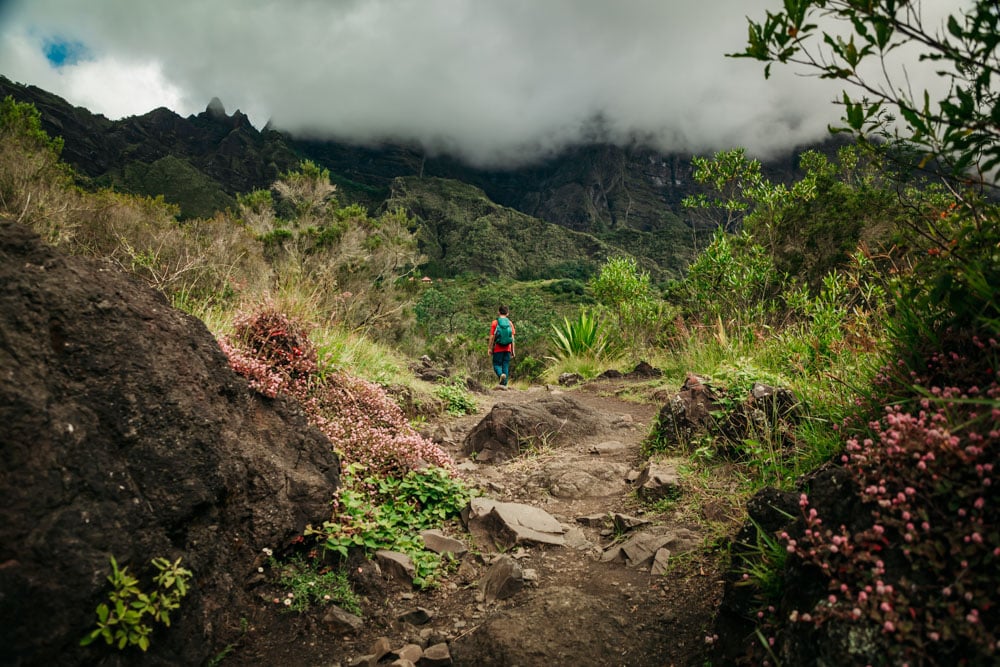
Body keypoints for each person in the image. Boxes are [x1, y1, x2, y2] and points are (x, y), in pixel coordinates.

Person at [488, 305, 515, 387]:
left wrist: (489, 348)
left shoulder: (495, 323)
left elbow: (492, 337)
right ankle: (504, 385)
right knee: (505, 366)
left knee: (496, 364)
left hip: (497, 348)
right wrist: (513, 351)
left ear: (498, 312)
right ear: (507, 313)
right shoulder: (510, 323)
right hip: (507, 349)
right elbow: (512, 338)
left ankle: (500, 375)